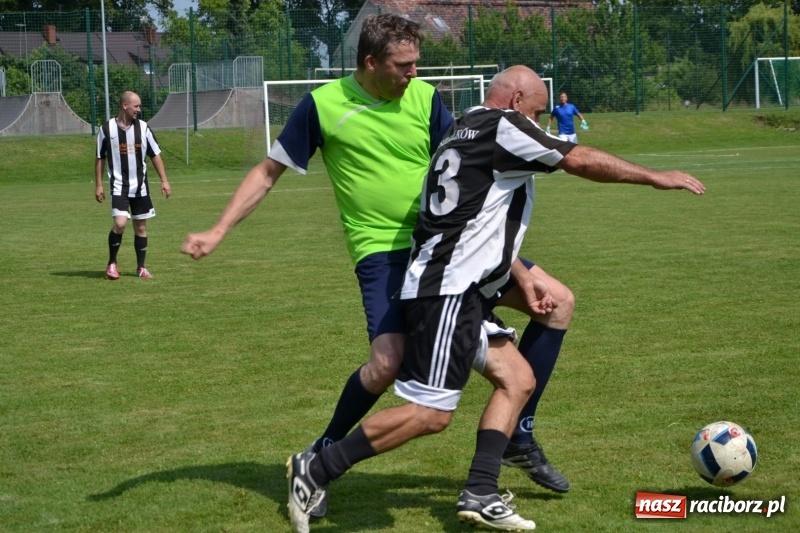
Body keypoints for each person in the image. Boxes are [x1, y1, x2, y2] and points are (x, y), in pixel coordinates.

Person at [285, 65, 705, 532]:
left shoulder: (463, 130)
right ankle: (318, 466)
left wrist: (518, 273)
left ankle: (481, 491)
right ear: (518, 98)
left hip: (463, 284)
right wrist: (655, 177)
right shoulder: (504, 125)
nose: (541, 123)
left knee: (518, 380)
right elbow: (578, 158)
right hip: (447, 289)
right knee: (431, 414)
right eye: (539, 112)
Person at [181, 12, 575, 507]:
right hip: (383, 252)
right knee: (387, 362)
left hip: (452, 244)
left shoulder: (425, 98)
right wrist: (218, 230)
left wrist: (513, 267)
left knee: (557, 302)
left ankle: (520, 433)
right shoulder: (322, 106)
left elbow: (465, 176)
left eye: (416, 64)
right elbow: (266, 173)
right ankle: (322, 456)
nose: (414, 74)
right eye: (403, 65)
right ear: (371, 62)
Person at [95, 91, 171, 280]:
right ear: (125, 106)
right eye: (136, 106)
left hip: (140, 187)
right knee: (120, 223)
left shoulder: (144, 128)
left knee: (141, 227)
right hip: (119, 186)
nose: (139, 109)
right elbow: (99, 158)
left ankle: (141, 267)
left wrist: (164, 180)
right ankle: (112, 264)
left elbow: (155, 155)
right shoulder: (106, 129)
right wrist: (98, 185)